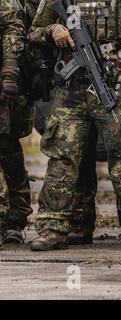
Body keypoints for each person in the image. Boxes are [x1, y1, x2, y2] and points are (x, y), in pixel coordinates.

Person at [28, 0, 121, 251]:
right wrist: (52, 32)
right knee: (63, 158)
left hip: (115, 84)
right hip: (70, 91)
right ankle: (54, 226)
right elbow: (34, 31)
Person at [0, 0, 28, 248]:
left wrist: (9, 73)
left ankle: (15, 221)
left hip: (4, 82)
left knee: (7, 148)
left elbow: (13, 29)